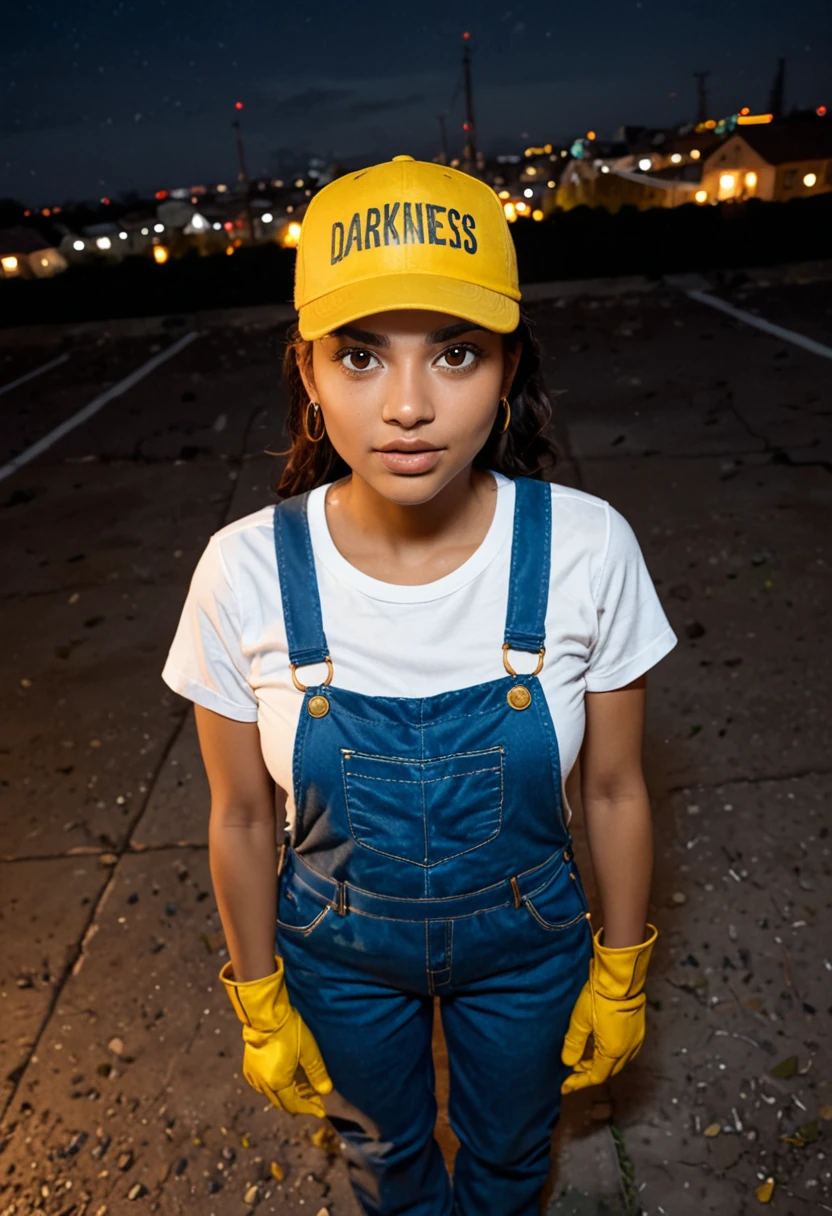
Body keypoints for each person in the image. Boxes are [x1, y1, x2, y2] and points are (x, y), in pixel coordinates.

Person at [161, 155, 678, 1216]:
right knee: (387, 1169)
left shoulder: (586, 549)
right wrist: (258, 996)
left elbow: (619, 790)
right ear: (305, 370)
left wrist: (622, 968)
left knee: (507, 1159)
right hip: (336, 956)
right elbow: (240, 812)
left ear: (508, 364)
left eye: (454, 353)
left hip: (527, 949)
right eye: (359, 355)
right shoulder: (243, 570)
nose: (406, 406)